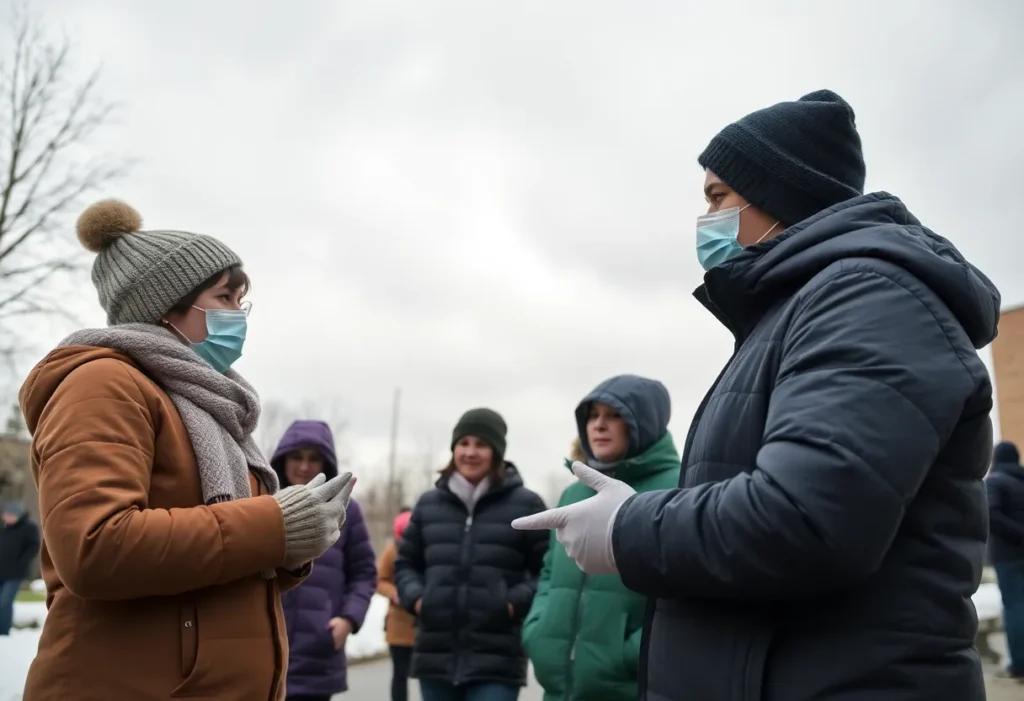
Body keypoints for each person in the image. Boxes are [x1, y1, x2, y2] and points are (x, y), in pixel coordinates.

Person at [514, 90, 1000, 701]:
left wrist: (628, 529)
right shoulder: (799, 312)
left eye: (718, 196)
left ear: (780, 194)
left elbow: (807, 518)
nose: (705, 217)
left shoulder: (868, 297)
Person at [17, 200, 355, 701]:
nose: (238, 314)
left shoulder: (212, 403)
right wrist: (272, 526)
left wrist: (290, 549)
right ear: (165, 306)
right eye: (224, 296)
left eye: (243, 299)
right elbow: (94, 548)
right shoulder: (103, 385)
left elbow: (217, 568)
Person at [522, 375, 680, 701]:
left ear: (645, 421)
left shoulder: (680, 487)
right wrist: (538, 630)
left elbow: (683, 585)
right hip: (559, 688)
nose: (599, 425)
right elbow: (551, 572)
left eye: (614, 415)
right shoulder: (572, 493)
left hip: (631, 688)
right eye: (593, 416)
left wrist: (633, 650)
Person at [395, 408, 549, 701]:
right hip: (435, 657)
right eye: (463, 443)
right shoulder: (428, 505)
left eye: (481, 444)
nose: (470, 452)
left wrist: (513, 602)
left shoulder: (527, 505)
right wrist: (417, 598)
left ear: (497, 452)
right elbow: (405, 564)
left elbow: (548, 570)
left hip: (497, 660)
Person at [271, 420, 377, 701]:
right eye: (297, 456)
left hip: (317, 654)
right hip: (264, 648)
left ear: (326, 463)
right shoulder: (263, 503)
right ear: (283, 459)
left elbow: (364, 572)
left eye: (314, 458)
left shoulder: (347, 512)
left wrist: (348, 619)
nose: (304, 466)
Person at [986, 441, 1024, 680]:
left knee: (1015, 608)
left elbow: (991, 513)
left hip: (1008, 556)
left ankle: (1019, 665)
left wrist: (1019, 534)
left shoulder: (995, 481)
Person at [377, 507, 416, 701]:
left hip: (426, 624)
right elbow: (380, 580)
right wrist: (395, 593)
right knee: (400, 675)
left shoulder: (426, 549)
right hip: (398, 626)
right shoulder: (391, 552)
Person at [0, 501, 40, 635]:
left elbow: (33, 547)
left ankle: (3, 631)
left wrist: (22, 562)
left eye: (12, 515)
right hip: (1, 571)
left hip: (15, 572)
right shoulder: (3, 529)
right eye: (6, 515)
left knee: (5, 601)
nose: (8, 517)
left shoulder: (28, 528)